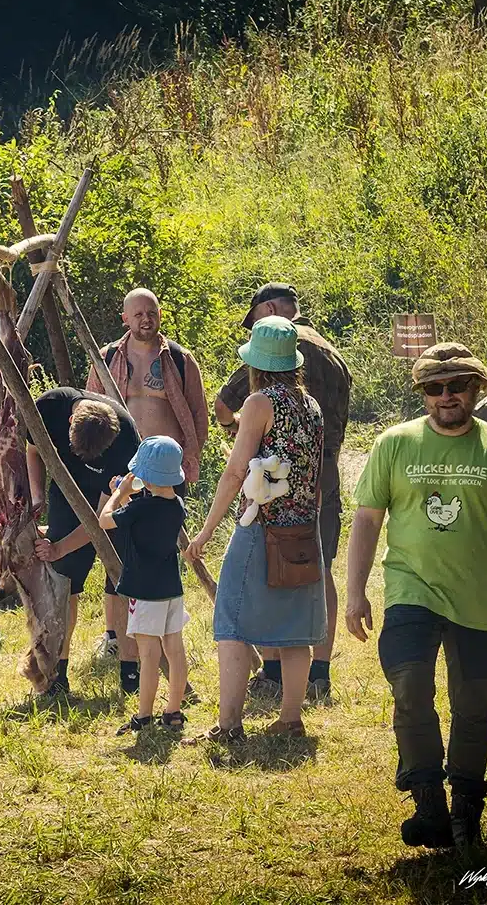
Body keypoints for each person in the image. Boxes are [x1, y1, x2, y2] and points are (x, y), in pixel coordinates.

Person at [345, 343, 487, 849]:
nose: (446, 396)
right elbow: (366, 520)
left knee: (473, 707)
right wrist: (355, 591)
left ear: (475, 389)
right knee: (409, 691)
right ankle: (429, 802)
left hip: (481, 600)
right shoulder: (394, 444)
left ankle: (467, 809)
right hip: (411, 592)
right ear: (422, 393)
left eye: (456, 386)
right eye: (434, 387)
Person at [185, 317, 326, 743]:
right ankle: (290, 718)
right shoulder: (311, 405)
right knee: (296, 626)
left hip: (261, 528)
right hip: (302, 530)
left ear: (256, 364)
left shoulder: (259, 403)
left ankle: (228, 725)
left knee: (230, 619)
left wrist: (206, 530)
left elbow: (234, 472)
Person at [214, 283, 351, 701]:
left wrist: (241, 434)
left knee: (263, 576)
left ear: (269, 310)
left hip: (270, 487)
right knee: (315, 568)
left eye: (254, 318)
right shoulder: (333, 354)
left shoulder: (270, 353)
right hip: (319, 479)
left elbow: (223, 405)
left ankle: (271, 671)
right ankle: (319, 672)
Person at [86, 289, 209, 672]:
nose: (145, 319)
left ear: (159, 315)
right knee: (119, 552)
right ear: (125, 318)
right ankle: (116, 636)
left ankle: (164, 631)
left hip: (167, 475)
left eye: (151, 312)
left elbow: (198, 415)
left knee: (160, 553)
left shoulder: (179, 360)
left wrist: (189, 459)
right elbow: (89, 412)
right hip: (122, 473)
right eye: (137, 313)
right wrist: (104, 472)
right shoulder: (107, 358)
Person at [29, 387, 140, 696]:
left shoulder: (126, 439)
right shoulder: (48, 409)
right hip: (65, 495)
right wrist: (38, 498)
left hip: (112, 503)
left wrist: (59, 547)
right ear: (69, 423)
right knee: (64, 584)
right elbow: (33, 451)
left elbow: (102, 517)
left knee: (120, 584)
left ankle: (130, 675)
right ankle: (56, 675)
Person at [100, 436, 190, 734]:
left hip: (144, 591)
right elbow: (141, 519)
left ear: (146, 477)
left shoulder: (140, 508)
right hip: (170, 589)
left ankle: (143, 715)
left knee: (148, 655)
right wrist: (127, 498)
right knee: (174, 650)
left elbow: (105, 520)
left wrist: (119, 493)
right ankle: (174, 711)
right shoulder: (176, 505)